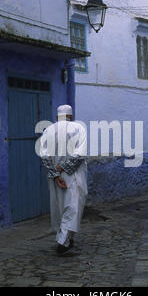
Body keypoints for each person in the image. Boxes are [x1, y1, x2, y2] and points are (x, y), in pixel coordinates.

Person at [39, 104, 88, 255]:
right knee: (72, 207)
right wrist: (64, 168)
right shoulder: (79, 128)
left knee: (60, 206)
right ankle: (63, 242)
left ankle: (67, 238)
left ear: (57, 117)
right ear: (71, 116)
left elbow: (44, 155)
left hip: (55, 176)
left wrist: (55, 173)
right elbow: (80, 154)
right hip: (73, 174)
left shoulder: (48, 130)